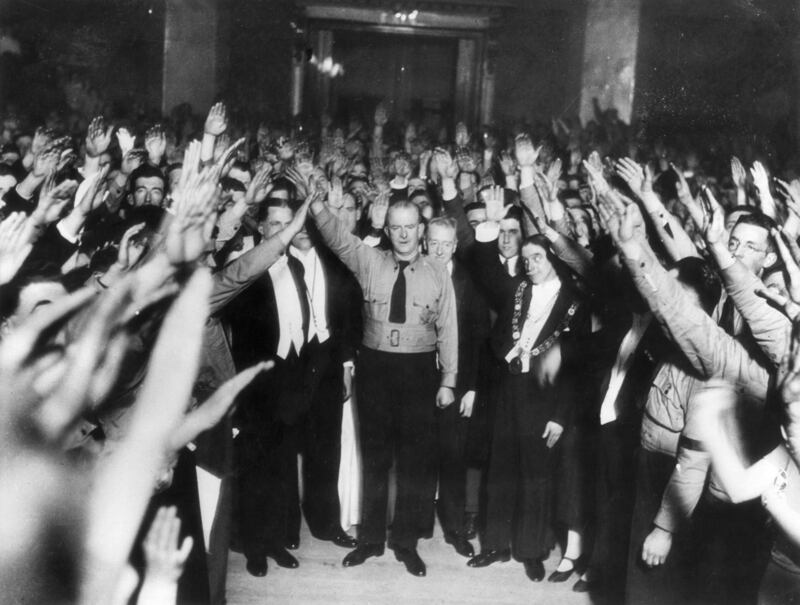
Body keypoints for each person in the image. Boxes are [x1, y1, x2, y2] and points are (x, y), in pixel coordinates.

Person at [309, 193, 458, 577]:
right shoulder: (370, 259)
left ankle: (405, 543)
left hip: (419, 370)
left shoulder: (438, 272)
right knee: (374, 456)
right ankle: (371, 539)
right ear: (387, 229)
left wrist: (449, 380)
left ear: (421, 230)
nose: (404, 234)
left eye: (411, 226)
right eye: (397, 227)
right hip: (375, 367)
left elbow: (449, 329)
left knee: (412, 462)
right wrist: (317, 205)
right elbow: (338, 238)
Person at [466, 191, 590, 583]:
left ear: (554, 260)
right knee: (500, 469)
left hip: (545, 399)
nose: (529, 264)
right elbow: (497, 335)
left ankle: (531, 551)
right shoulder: (518, 290)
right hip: (509, 391)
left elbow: (575, 369)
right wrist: (512, 354)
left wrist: (559, 417)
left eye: (537, 258)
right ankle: (495, 545)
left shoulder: (574, 303)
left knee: (535, 477)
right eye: (526, 259)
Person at [425, 216, 490, 559]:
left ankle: (453, 529)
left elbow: (480, 340)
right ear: (425, 243)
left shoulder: (469, 282)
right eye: (432, 242)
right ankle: (418, 522)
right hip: (418, 383)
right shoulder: (413, 273)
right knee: (417, 455)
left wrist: (473, 389)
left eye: (445, 243)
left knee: (453, 459)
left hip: (459, 385)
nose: (438, 249)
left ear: (454, 246)